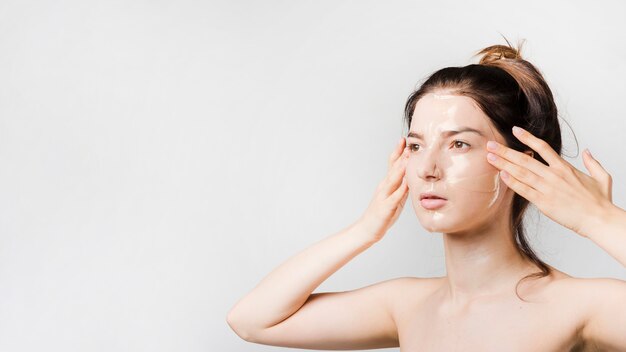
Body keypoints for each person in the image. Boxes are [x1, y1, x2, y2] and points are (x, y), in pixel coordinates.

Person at [226, 40, 626, 351]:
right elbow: (252, 320)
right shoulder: (406, 305)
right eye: (416, 146)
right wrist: (364, 231)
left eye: (458, 145)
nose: (428, 168)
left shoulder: (579, 306)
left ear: (520, 163)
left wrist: (600, 220)